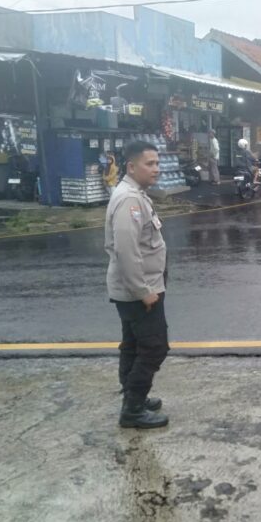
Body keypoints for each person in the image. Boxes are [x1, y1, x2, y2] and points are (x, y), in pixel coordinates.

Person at [105, 141, 170, 429]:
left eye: (157, 163)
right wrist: (143, 291)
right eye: (150, 164)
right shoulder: (129, 200)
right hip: (139, 292)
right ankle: (132, 409)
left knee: (133, 345)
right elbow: (126, 251)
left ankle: (133, 399)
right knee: (154, 348)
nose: (156, 169)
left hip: (139, 288)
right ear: (132, 167)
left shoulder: (136, 194)